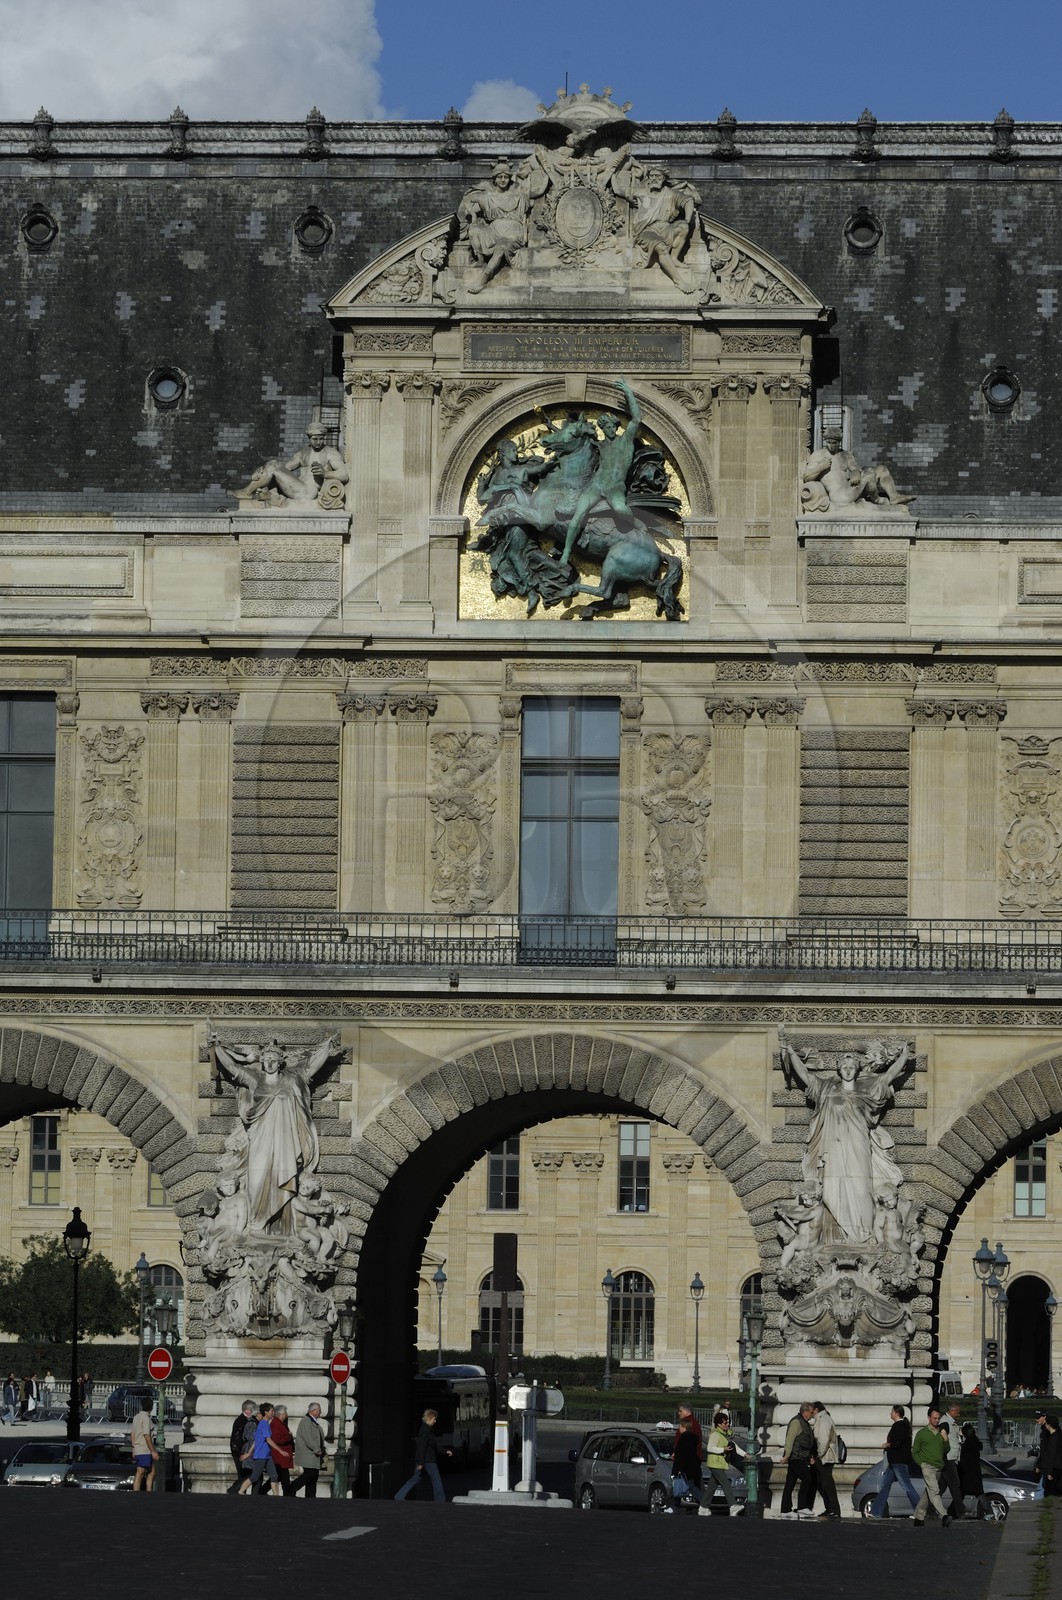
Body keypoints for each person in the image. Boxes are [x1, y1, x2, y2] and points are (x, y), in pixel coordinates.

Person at [778, 1028, 913, 1244]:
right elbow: (805, 1076)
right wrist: (790, 1051)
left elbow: (888, 1077)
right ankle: (835, 1240)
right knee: (831, 1192)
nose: (849, 1070)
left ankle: (865, 1236)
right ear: (839, 1070)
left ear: (857, 1070)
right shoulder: (825, 1089)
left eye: (852, 1067)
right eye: (845, 1067)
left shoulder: (867, 1091)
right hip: (831, 1149)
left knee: (862, 1191)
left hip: (859, 1146)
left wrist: (904, 1058)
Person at [207, 1031, 338, 1236]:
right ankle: (255, 1226)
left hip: (285, 1142)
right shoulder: (255, 1080)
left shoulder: (293, 1079)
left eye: (273, 1060)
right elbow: (233, 1068)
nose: (269, 1063)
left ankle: (282, 1229)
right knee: (255, 1182)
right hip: (259, 1139)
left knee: (284, 1180)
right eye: (266, 1059)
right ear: (262, 1062)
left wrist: (328, 1047)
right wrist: (216, 1048)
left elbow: (312, 1066)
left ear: (280, 1062)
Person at [869, 1403, 921, 1518]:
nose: (890, 1413)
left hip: (898, 1461)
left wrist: (888, 1444)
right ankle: (876, 1511)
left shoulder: (899, 1426)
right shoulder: (902, 1425)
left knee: (906, 1486)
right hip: (895, 1462)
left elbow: (897, 1443)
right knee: (885, 1485)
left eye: (892, 1411)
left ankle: (920, 1510)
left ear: (897, 1413)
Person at [394, 1408, 452, 1502]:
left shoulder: (426, 1430)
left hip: (422, 1460)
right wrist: (421, 1463)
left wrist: (445, 1451)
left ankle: (399, 1496)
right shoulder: (426, 1432)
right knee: (436, 1480)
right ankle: (440, 1500)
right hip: (428, 1460)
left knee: (415, 1479)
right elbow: (422, 1447)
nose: (435, 1421)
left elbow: (434, 1446)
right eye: (434, 1419)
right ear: (429, 1418)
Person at [911, 1407, 952, 1526]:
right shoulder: (922, 1433)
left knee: (928, 1493)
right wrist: (921, 1464)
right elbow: (915, 1452)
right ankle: (944, 1516)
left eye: (938, 1418)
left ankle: (919, 1517)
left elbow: (946, 1450)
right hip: (927, 1466)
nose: (937, 1420)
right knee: (934, 1491)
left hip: (938, 1467)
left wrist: (945, 1439)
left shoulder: (941, 1433)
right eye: (934, 1418)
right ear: (929, 1418)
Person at [778, 1402, 817, 1519]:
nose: (812, 1415)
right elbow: (790, 1440)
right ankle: (802, 1506)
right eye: (811, 1412)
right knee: (807, 1478)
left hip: (800, 1457)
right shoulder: (796, 1422)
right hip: (796, 1457)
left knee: (790, 1483)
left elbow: (807, 1442)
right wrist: (786, 1456)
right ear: (805, 1412)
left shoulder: (804, 1423)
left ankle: (785, 1510)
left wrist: (810, 1456)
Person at [705, 1409, 745, 1515]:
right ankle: (732, 1506)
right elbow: (710, 1448)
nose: (727, 1424)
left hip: (718, 1463)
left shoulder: (724, 1434)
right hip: (715, 1463)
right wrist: (723, 1450)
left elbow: (733, 1446)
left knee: (711, 1487)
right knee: (726, 1484)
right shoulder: (715, 1435)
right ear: (719, 1424)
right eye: (725, 1423)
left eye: (727, 1422)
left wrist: (745, 1454)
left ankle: (703, 1507)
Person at [239, 1402, 281, 1496]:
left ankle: (276, 1495)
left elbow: (256, 1441)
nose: (273, 1412)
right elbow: (268, 1440)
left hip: (267, 1455)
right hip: (261, 1455)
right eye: (271, 1411)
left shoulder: (265, 1424)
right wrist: (280, 1451)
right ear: (266, 1412)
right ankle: (241, 1491)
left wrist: (249, 1453)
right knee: (254, 1477)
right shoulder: (263, 1424)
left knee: (274, 1475)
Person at [811, 1401, 842, 1519]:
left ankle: (834, 1509)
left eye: (812, 1410)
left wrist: (818, 1455)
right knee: (822, 1483)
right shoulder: (822, 1419)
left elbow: (823, 1440)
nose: (811, 1413)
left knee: (826, 1483)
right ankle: (830, 1508)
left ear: (817, 1410)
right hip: (824, 1456)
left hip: (825, 1457)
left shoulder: (823, 1420)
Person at [289, 1402, 327, 1497]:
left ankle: (310, 1497)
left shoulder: (312, 1421)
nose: (320, 1412)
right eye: (319, 1410)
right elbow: (308, 1438)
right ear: (313, 1411)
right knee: (310, 1474)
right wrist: (317, 1449)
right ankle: (291, 1488)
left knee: (313, 1476)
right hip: (309, 1454)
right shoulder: (306, 1421)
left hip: (313, 1455)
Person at [937, 1403, 967, 1518]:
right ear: (952, 1411)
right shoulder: (945, 1422)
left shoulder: (950, 1422)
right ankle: (961, 1510)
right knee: (955, 1484)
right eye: (957, 1412)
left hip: (951, 1457)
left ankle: (929, 1508)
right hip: (948, 1457)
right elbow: (942, 1434)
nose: (958, 1414)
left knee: (942, 1487)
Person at [670, 1413, 703, 1513]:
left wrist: (678, 1469)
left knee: (681, 1486)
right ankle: (673, 1506)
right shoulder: (693, 1439)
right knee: (682, 1486)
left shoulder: (683, 1439)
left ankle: (704, 1503)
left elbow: (682, 1456)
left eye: (680, 1426)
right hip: (691, 1468)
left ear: (684, 1427)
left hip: (684, 1468)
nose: (679, 1428)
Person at [958, 1422, 990, 1518]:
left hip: (967, 1474)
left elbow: (963, 1460)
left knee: (960, 1494)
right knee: (978, 1493)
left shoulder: (967, 1444)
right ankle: (989, 1511)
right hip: (974, 1473)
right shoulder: (975, 1442)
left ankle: (956, 1511)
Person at [228, 1400, 255, 1493]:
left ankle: (238, 1491)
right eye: (253, 1410)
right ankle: (234, 1490)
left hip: (239, 1451)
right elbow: (238, 1437)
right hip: (239, 1451)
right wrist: (241, 1452)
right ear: (248, 1410)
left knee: (244, 1474)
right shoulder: (242, 1420)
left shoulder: (243, 1420)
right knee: (244, 1475)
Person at [131, 1403, 158, 1492]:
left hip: (138, 1448)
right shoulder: (146, 1419)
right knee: (140, 1472)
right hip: (144, 1449)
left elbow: (132, 1433)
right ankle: (137, 1492)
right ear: (151, 1408)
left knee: (152, 1472)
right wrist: (153, 1451)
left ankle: (148, 1491)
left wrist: (133, 1447)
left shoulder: (136, 1417)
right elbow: (147, 1435)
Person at [270, 1404, 295, 1495]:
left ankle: (287, 1492)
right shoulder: (276, 1424)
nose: (286, 1415)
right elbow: (277, 1440)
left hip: (282, 1455)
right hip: (280, 1455)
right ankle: (288, 1492)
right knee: (283, 1475)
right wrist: (289, 1436)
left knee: (280, 1475)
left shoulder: (280, 1423)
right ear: (280, 1414)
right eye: (285, 1413)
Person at [1039, 1416, 1062, 1497]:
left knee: (1049, 1492)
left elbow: (1052, 1455)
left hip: (1054, 1468)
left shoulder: (1053, 1438)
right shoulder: (1058, 1436)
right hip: (1058, 1467)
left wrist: (1049, 1472)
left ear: (1049, 1425)